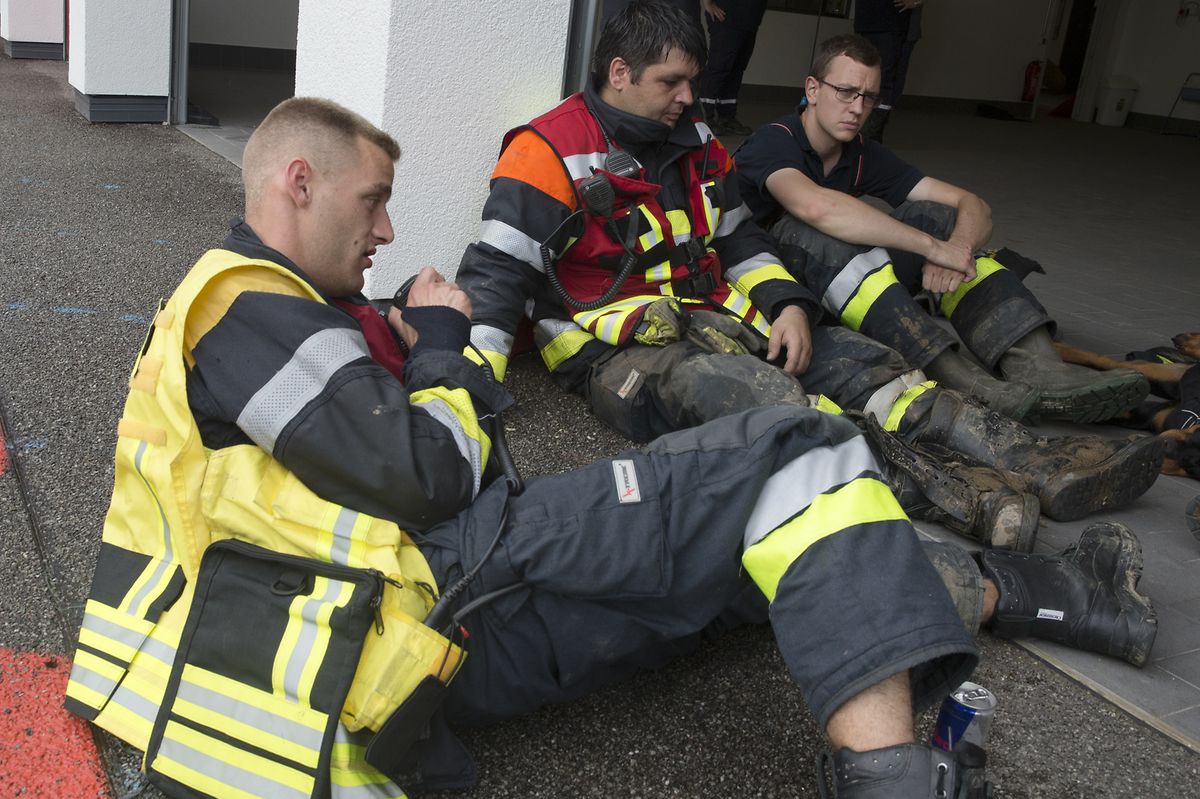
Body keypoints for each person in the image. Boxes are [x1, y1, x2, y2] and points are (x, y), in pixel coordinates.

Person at [62, 97, 1155, 799]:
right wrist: (440, 348)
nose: (389, 227)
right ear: (296, 184)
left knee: (764, 564)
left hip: (405, 642)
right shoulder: (240, 305)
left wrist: (404, 341)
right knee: (797, 454)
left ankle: (1046, 594)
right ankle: (895, 777)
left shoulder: (286, 308)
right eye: (374, 199)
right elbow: (429, 470)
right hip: (430, 590)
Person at [456, 1, 1163, 541]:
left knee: (870, 368)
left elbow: (737, 242)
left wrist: (790, 307)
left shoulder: (698, 142)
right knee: (768, 403)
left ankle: (1042, 462)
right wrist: (471, 408)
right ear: (619, 73)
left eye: (691, 83)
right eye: (672, 82)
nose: (686, 99)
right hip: (619, 356)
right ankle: (971, 503)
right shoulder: (546, 151)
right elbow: (493, 280)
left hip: (720, 319)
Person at [734, 33, 1151, 426]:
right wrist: (932, 249)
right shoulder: (774, 141)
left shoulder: (860, 153)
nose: (858, 108)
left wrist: (958, 246)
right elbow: (816, 206)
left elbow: (973, 205)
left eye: (869, 98)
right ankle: (965, 382)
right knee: (813, 232)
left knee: (940, 217)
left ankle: (1041, 370)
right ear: (812, 89)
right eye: (845, 92)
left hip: (838, 285)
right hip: (777, 293)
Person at [853, 0, 925, 143]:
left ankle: (872, 131)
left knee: (885, 78)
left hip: (894, 24)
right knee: (863, 75)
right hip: (868, 21)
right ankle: (862, 128)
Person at [698, 0, 768, 136]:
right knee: (719, 67)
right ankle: (704, 118)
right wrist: (707, 3)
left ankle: (727, 117)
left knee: (736, 70)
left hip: (750, 21)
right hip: (726, 16)